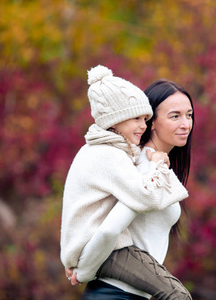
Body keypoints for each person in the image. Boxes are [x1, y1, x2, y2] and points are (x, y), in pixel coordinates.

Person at [60, 66, 191, 299]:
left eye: (189, 115)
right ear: (153, 122)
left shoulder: (153, 164)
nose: (185, 124)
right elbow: (109, 228)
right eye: (175, 116)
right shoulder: (140, 168)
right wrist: (83, 271)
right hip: (116, 293)